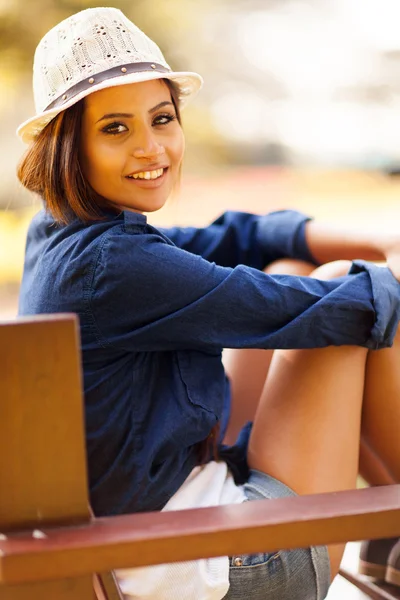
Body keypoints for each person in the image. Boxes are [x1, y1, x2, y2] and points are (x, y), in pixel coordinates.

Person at [16, 7, 400, 600]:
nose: (151, 147)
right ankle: (392, 534)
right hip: (228, 572)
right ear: (69, 146)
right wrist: (389, 272)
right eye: (115, 128)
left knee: (303, 270)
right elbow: (321, 309)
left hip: (162, 534)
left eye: (162, 119)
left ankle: (391, 538)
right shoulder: (114, 268)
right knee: (346, 297)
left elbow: (238, 238)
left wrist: (377, 243)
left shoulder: (65, 233)